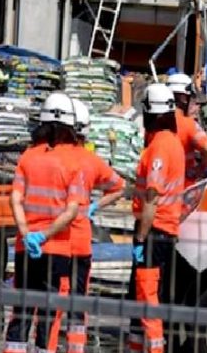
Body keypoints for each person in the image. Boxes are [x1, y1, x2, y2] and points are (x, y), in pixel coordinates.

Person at [3, 92, 84, 353]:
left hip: (25, 248)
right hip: (57, 249)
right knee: (48, 316)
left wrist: (28, 234)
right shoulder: (74, 160)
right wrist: (45, 235)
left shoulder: (28, 156)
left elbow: (15, 199)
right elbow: (71, 211)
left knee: (22, 310)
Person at [127, 84, 185, 353]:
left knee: (148, 299)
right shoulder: (173, 143)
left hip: (153, 234)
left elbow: (151, 196)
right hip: (165, 232)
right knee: (140, 299)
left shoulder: (160, 147)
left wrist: (140, 237)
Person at [67, 99, 125, 353]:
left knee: (48, 300)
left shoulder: (51, 157)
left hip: (54, 241)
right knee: (78, 299)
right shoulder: (91, 161)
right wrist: (95, 206)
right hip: (80, 240)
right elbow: (120, 186)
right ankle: (75, 348)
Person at [166, 73, 207, 185]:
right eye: (191, 98)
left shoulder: (155, 123)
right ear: (184, 98)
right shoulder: (189, 124)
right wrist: (199, 170)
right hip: (182, 188)